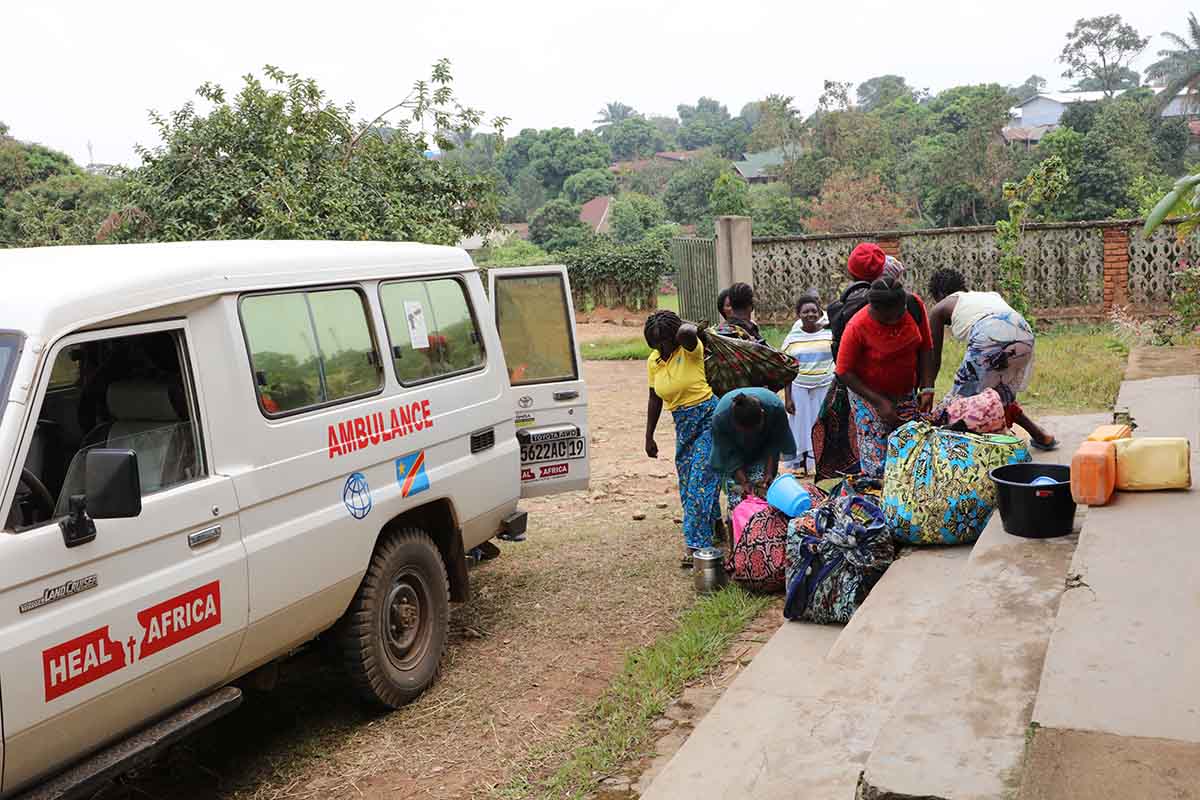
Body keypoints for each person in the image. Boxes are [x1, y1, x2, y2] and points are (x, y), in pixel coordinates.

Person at [926, 268, 1058, 450]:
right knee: (998, 395)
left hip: (989, 335)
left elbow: (933, 358)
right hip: (1024, 335)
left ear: (940, 294)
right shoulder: (988, 296)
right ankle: (1041, 435)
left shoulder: (940, 307)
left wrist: (927, 390)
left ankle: (952, 450)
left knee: (959, 403)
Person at [643, 310, 723, 567]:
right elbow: (655, 397)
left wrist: (680, 327)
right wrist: (649, 436)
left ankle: (696, 546)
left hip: (710, 418)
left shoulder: (691, 350)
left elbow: (689, 332)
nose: (662, 348)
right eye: (656, 344)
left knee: (700, 480)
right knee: (689, 482)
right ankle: (715, 525)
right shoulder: (654, 361)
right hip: (683, 425)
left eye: (665, 341)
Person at [835, 277, 936, 478]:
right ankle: (877, 500)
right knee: (877, 459)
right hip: (867, 394)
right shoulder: (857, 326)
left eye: (900, 314)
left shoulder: (914, 307)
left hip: (905, 391)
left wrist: (927, 387)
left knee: (911, 446)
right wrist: (879, 402)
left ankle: (908, 495)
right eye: (887, 318)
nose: (895, 322)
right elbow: (843, 371)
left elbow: (926, 348)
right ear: (874, 309)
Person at [810, 242, 888, 479]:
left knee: (865, 440)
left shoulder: (838, 308)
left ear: (851, 271)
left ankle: (871, 492)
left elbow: (839, 355)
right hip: (895, 381)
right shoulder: (895, 301)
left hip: (856, 384)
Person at [710, 388, 797, 514]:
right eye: (745, 431)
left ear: (763, 413)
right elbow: (728, 454)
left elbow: (774, 442)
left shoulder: (775, 408)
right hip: (734, 452)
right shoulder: (721, 417)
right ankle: (735, 526)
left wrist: (768, 474)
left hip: (762, 450)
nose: (750, 435)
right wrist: (744, 482)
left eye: (754, 429)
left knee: (767, 495)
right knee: (739, 499)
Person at [781, 295, 835, 475]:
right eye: (806, 311)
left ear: (819, 312)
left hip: (824, 385)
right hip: (799, 387)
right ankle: (802, 464)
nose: (810, 314)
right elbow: (786, 368)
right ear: (799, 314)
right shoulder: (792, 338)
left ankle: (820, 463)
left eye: (814, 311)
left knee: (820, 424)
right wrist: (788, 397)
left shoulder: (829, 333)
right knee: (801, 425)